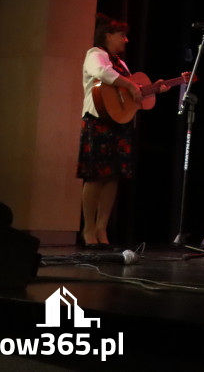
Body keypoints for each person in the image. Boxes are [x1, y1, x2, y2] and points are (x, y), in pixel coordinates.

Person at [78, 13, 146, 248]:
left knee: (113, 176)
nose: (126, 40)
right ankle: (87, 228)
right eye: (122, 36)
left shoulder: (121, 64)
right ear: (107, 35)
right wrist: (129, 84)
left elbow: (128, 96)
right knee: (96, 175)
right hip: (98, 120)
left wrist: (151, 89)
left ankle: (101, 228)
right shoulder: (95, 54)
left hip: (118, 123)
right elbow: (102, 73)